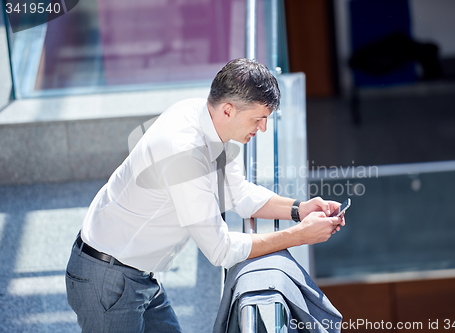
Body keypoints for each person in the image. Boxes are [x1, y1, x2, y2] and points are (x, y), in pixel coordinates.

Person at [65, 58, 345, 333]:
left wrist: (299, 210)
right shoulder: (185, 152)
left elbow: (239, 194)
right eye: (258, 119)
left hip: (136, 275)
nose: (263, 129)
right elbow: (220, 250)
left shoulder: (205, 120)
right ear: (228, 110)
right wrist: (300, 236)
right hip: (108, 279)